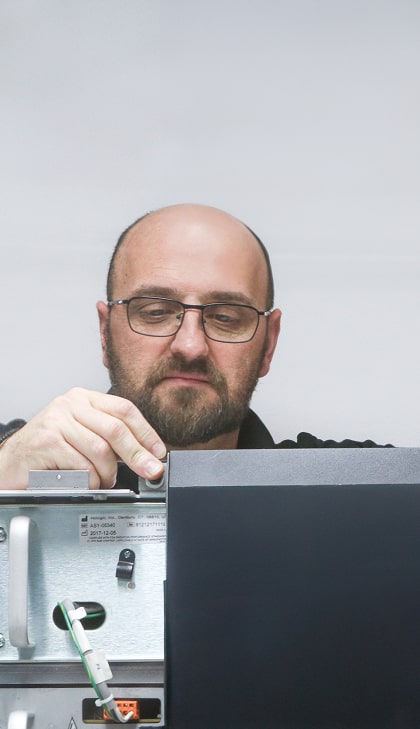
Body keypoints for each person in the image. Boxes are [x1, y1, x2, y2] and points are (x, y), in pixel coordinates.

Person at [0, 203, 386, 490]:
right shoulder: (17, 464)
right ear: (105, 333)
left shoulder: (360, 488)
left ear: (269, 344)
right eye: (155, 312)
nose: (190, 345)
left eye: (226, 317)